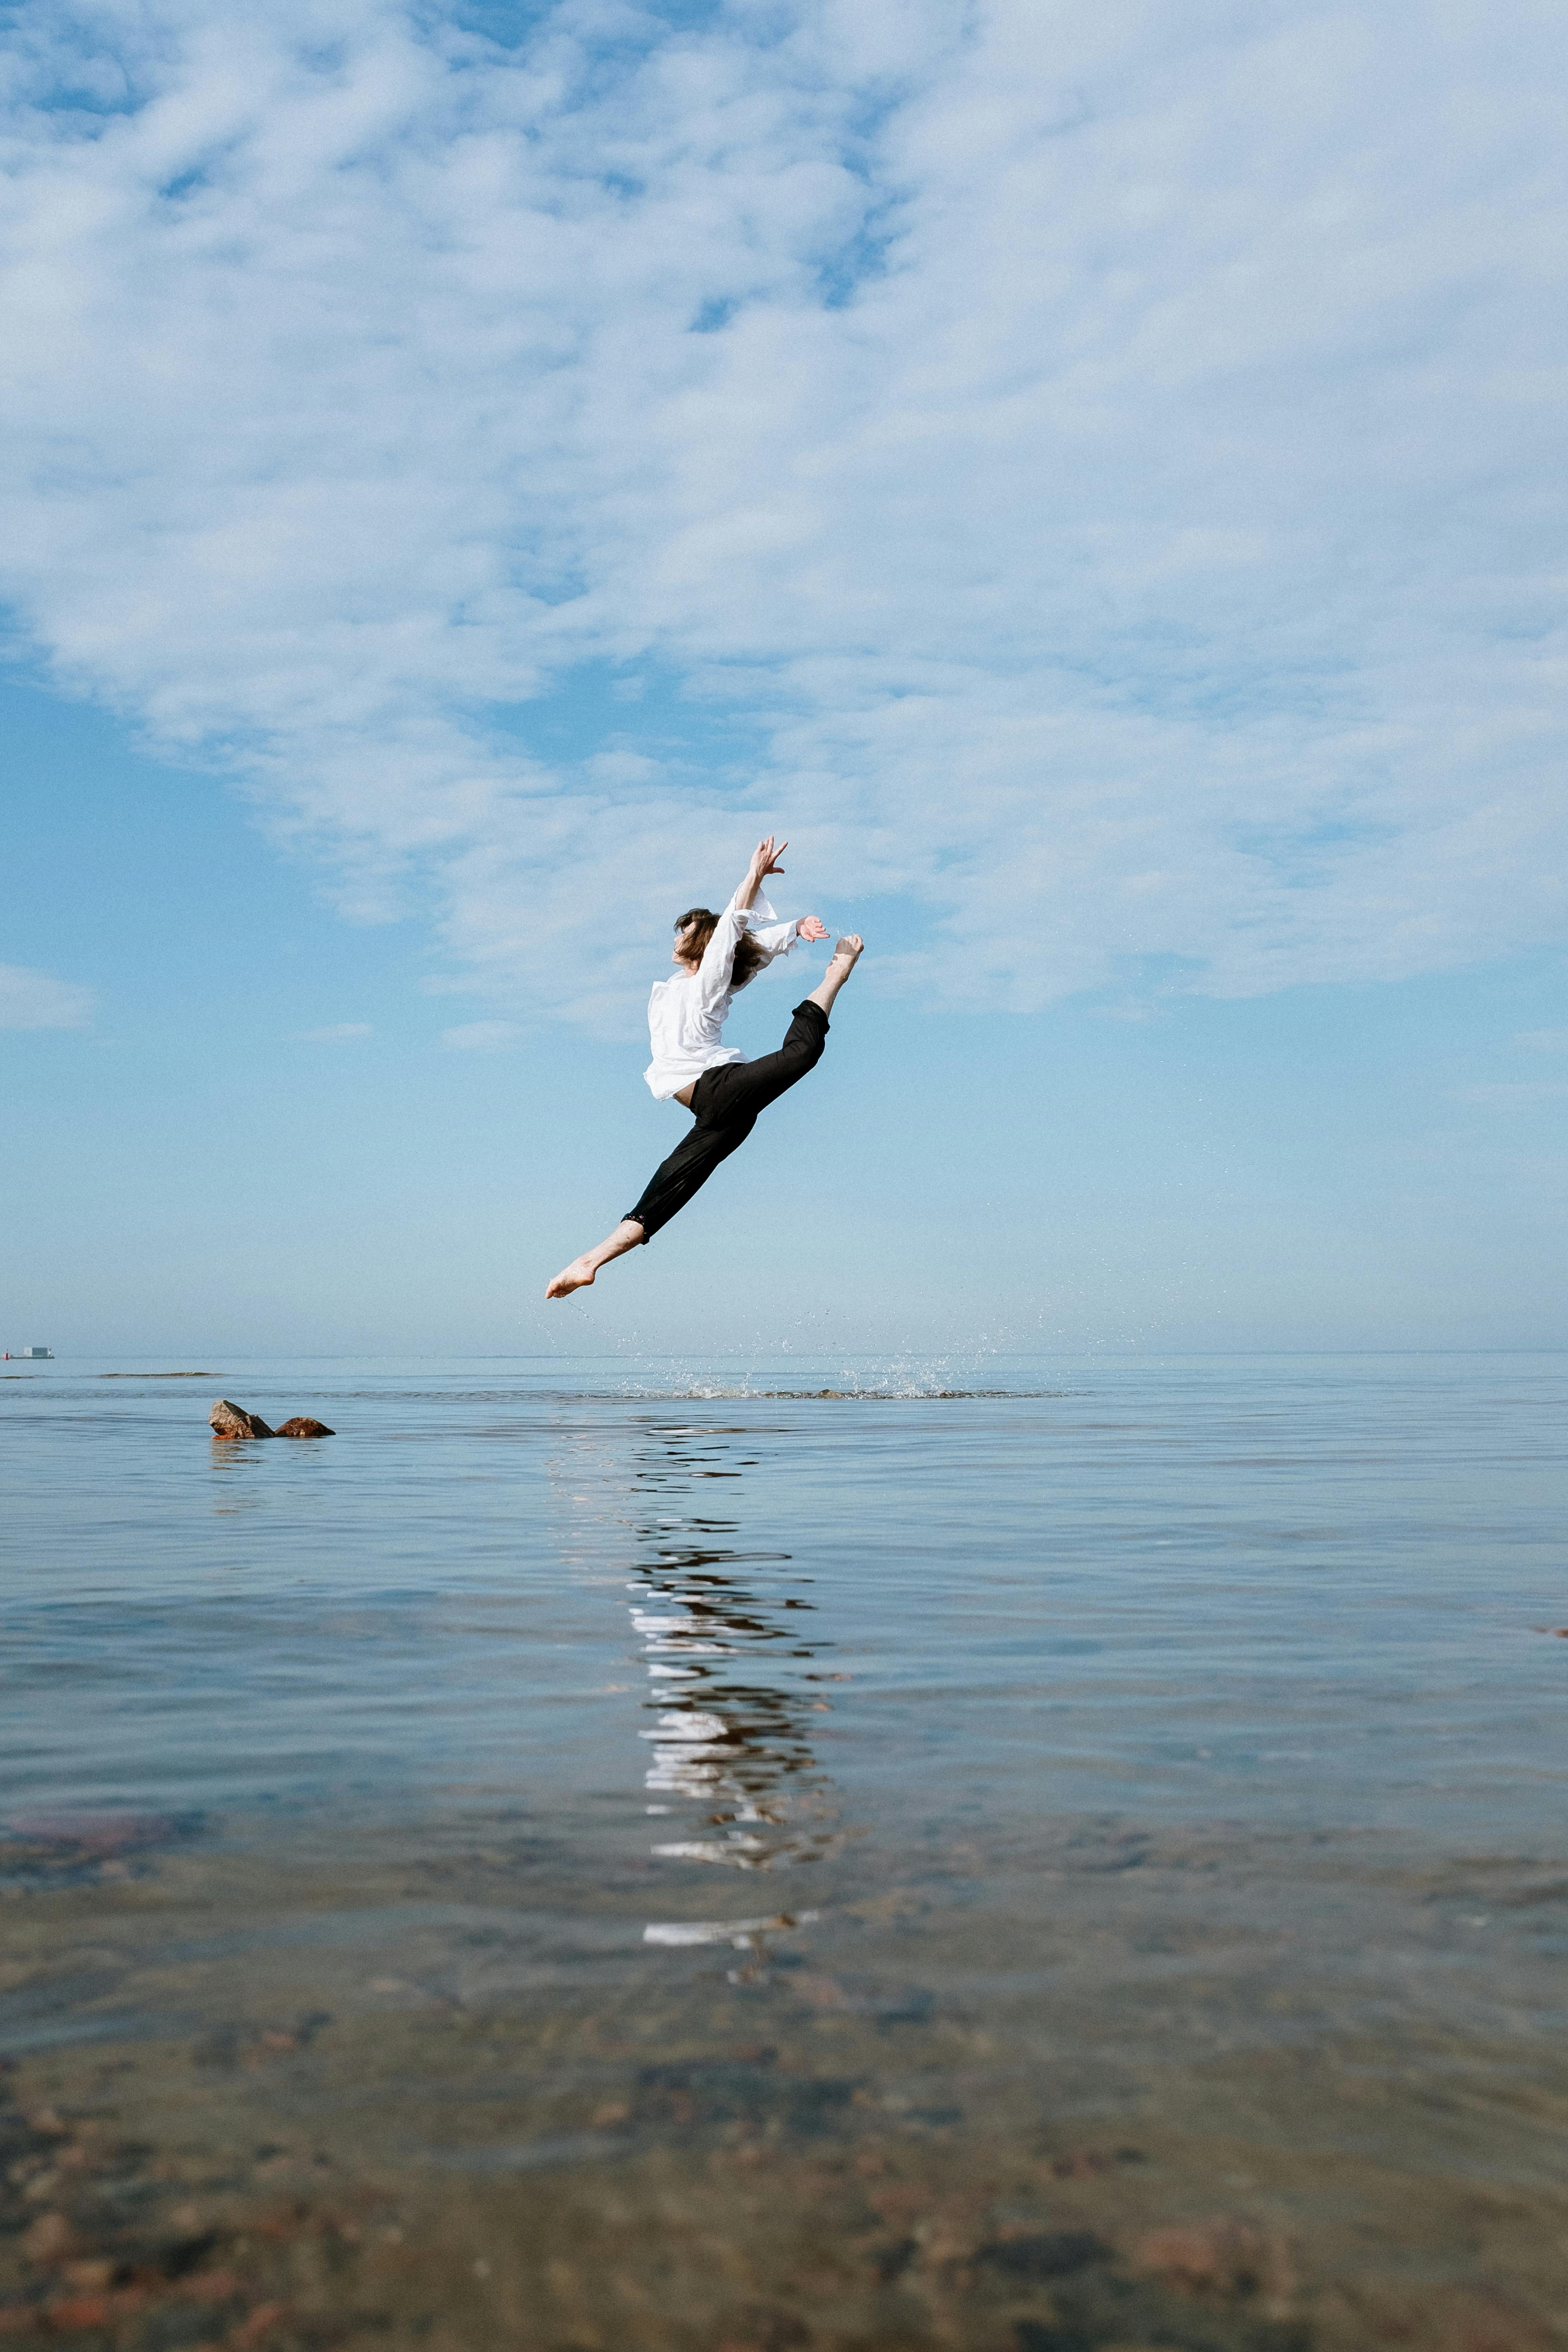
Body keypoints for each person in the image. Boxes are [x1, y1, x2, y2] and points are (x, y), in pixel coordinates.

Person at [546, 836, 863, 1297]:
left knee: (801, 1056)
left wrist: (753, 878)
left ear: (705, 943)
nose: (678, 938)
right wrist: (791, 930)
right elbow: (741, 946)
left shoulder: (706, 986)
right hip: (718, 1113)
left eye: (687, 931)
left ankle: (835, 976)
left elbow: (730, 937)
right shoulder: (682, 984)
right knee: (664, 1195)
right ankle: (589, 1261)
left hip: (720, 1089)